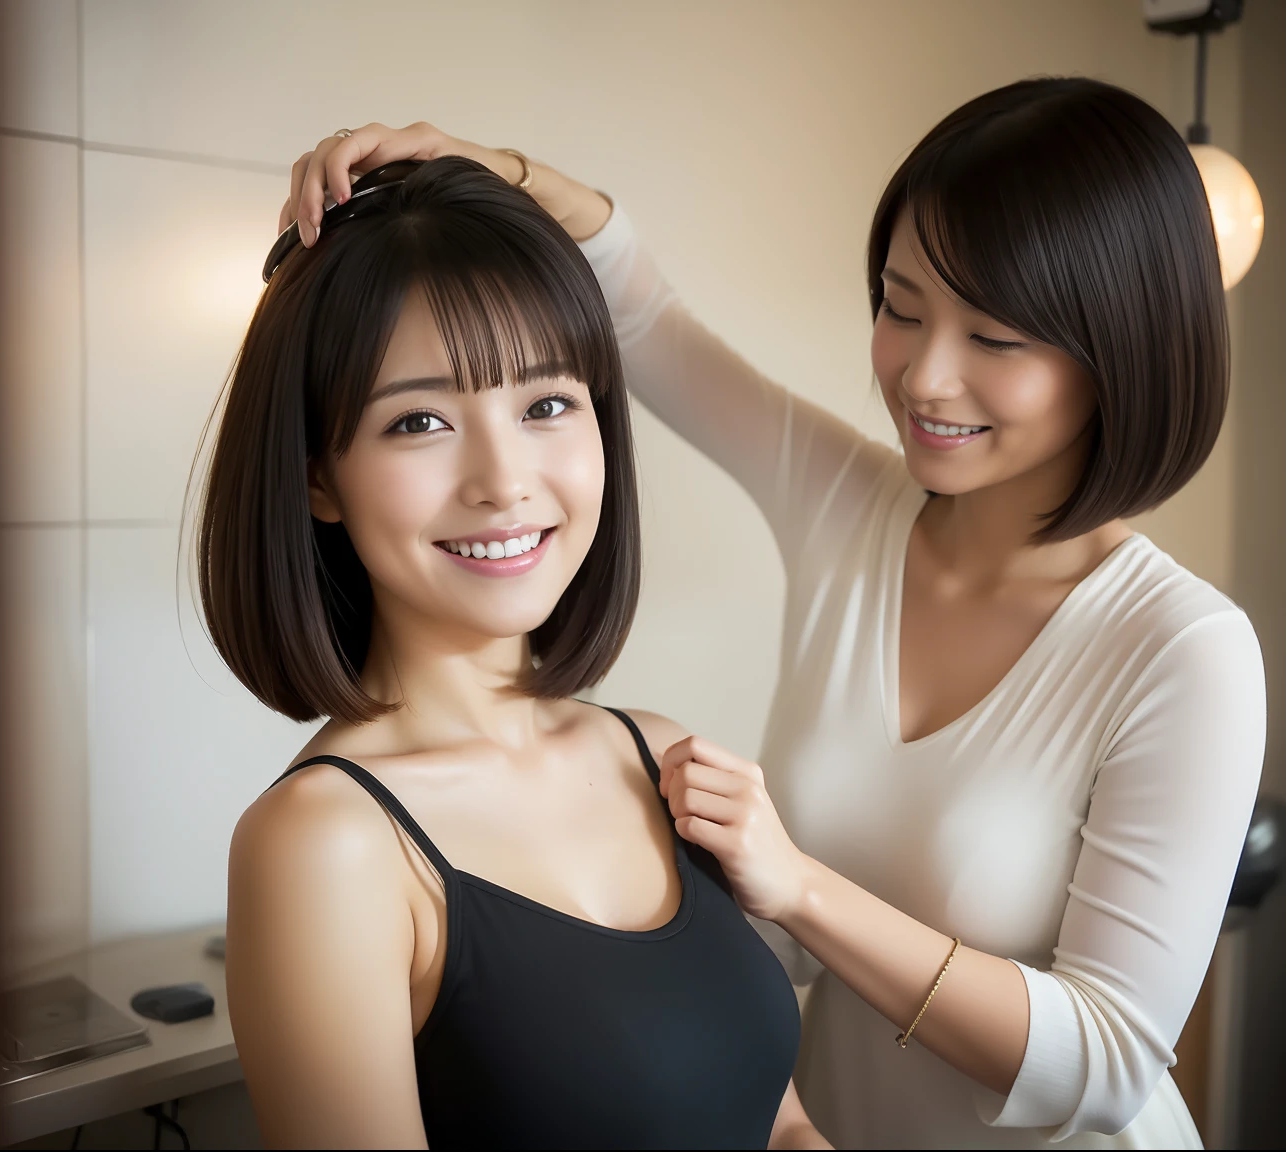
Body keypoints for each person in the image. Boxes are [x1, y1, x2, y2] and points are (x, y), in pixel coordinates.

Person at [281, 78, 1267, 1149]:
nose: (926, 377)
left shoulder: (1183, 650)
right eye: (901, 306)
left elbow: (1113, 1061)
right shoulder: (849, 506)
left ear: (1117, 351)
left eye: (997, 338)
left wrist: (799, 890)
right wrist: (484, 176)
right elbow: (645, 315)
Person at [202, 155, 823, 1149]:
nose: (504, 481)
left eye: (545, 405)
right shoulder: (326, 845)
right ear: (320, 476)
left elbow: (781, 1129)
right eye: (420, 421)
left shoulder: (658, 757)